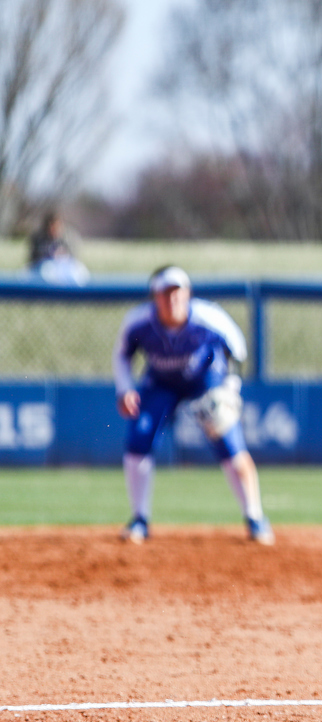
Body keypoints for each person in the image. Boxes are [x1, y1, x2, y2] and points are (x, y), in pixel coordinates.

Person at [112, 265, 273, 546]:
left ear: (188, 294)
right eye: (165, 293)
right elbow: (122, 355)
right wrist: (125, 388)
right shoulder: (138, 322)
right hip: (160, 381)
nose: (172, 299)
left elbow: (238, 349)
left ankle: (255, 518)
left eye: (178, 292)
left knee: (230, 444)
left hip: (205, 379)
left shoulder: (208, 318)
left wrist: (230, 386)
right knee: (139, 439)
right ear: (154, 297)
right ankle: (140, 519)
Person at [27, 210, 90, 286]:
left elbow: (74, 256)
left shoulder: (68, 236)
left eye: (56, 225)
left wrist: (63, 254)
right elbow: (33, 258)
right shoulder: (38, 237)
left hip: (65, 266)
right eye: (51, 225)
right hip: (44, 266)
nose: (53, 228)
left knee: (80, 274)